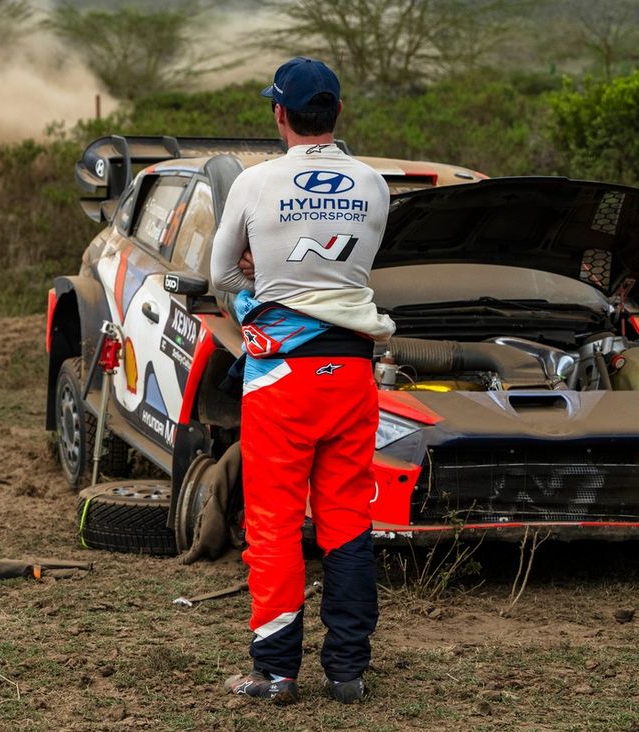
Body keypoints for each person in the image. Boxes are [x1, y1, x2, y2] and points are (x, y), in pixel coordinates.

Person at [210, 57, 395, 706]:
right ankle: (347, 673)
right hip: (351, 372)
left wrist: (257, 282)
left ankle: (275, 673)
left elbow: (221, 276)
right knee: (347, 520)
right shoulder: (375, 185)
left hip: (280, 378)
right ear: (337, 112)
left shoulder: (254, 183)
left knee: (274, 522)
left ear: (279, 114)